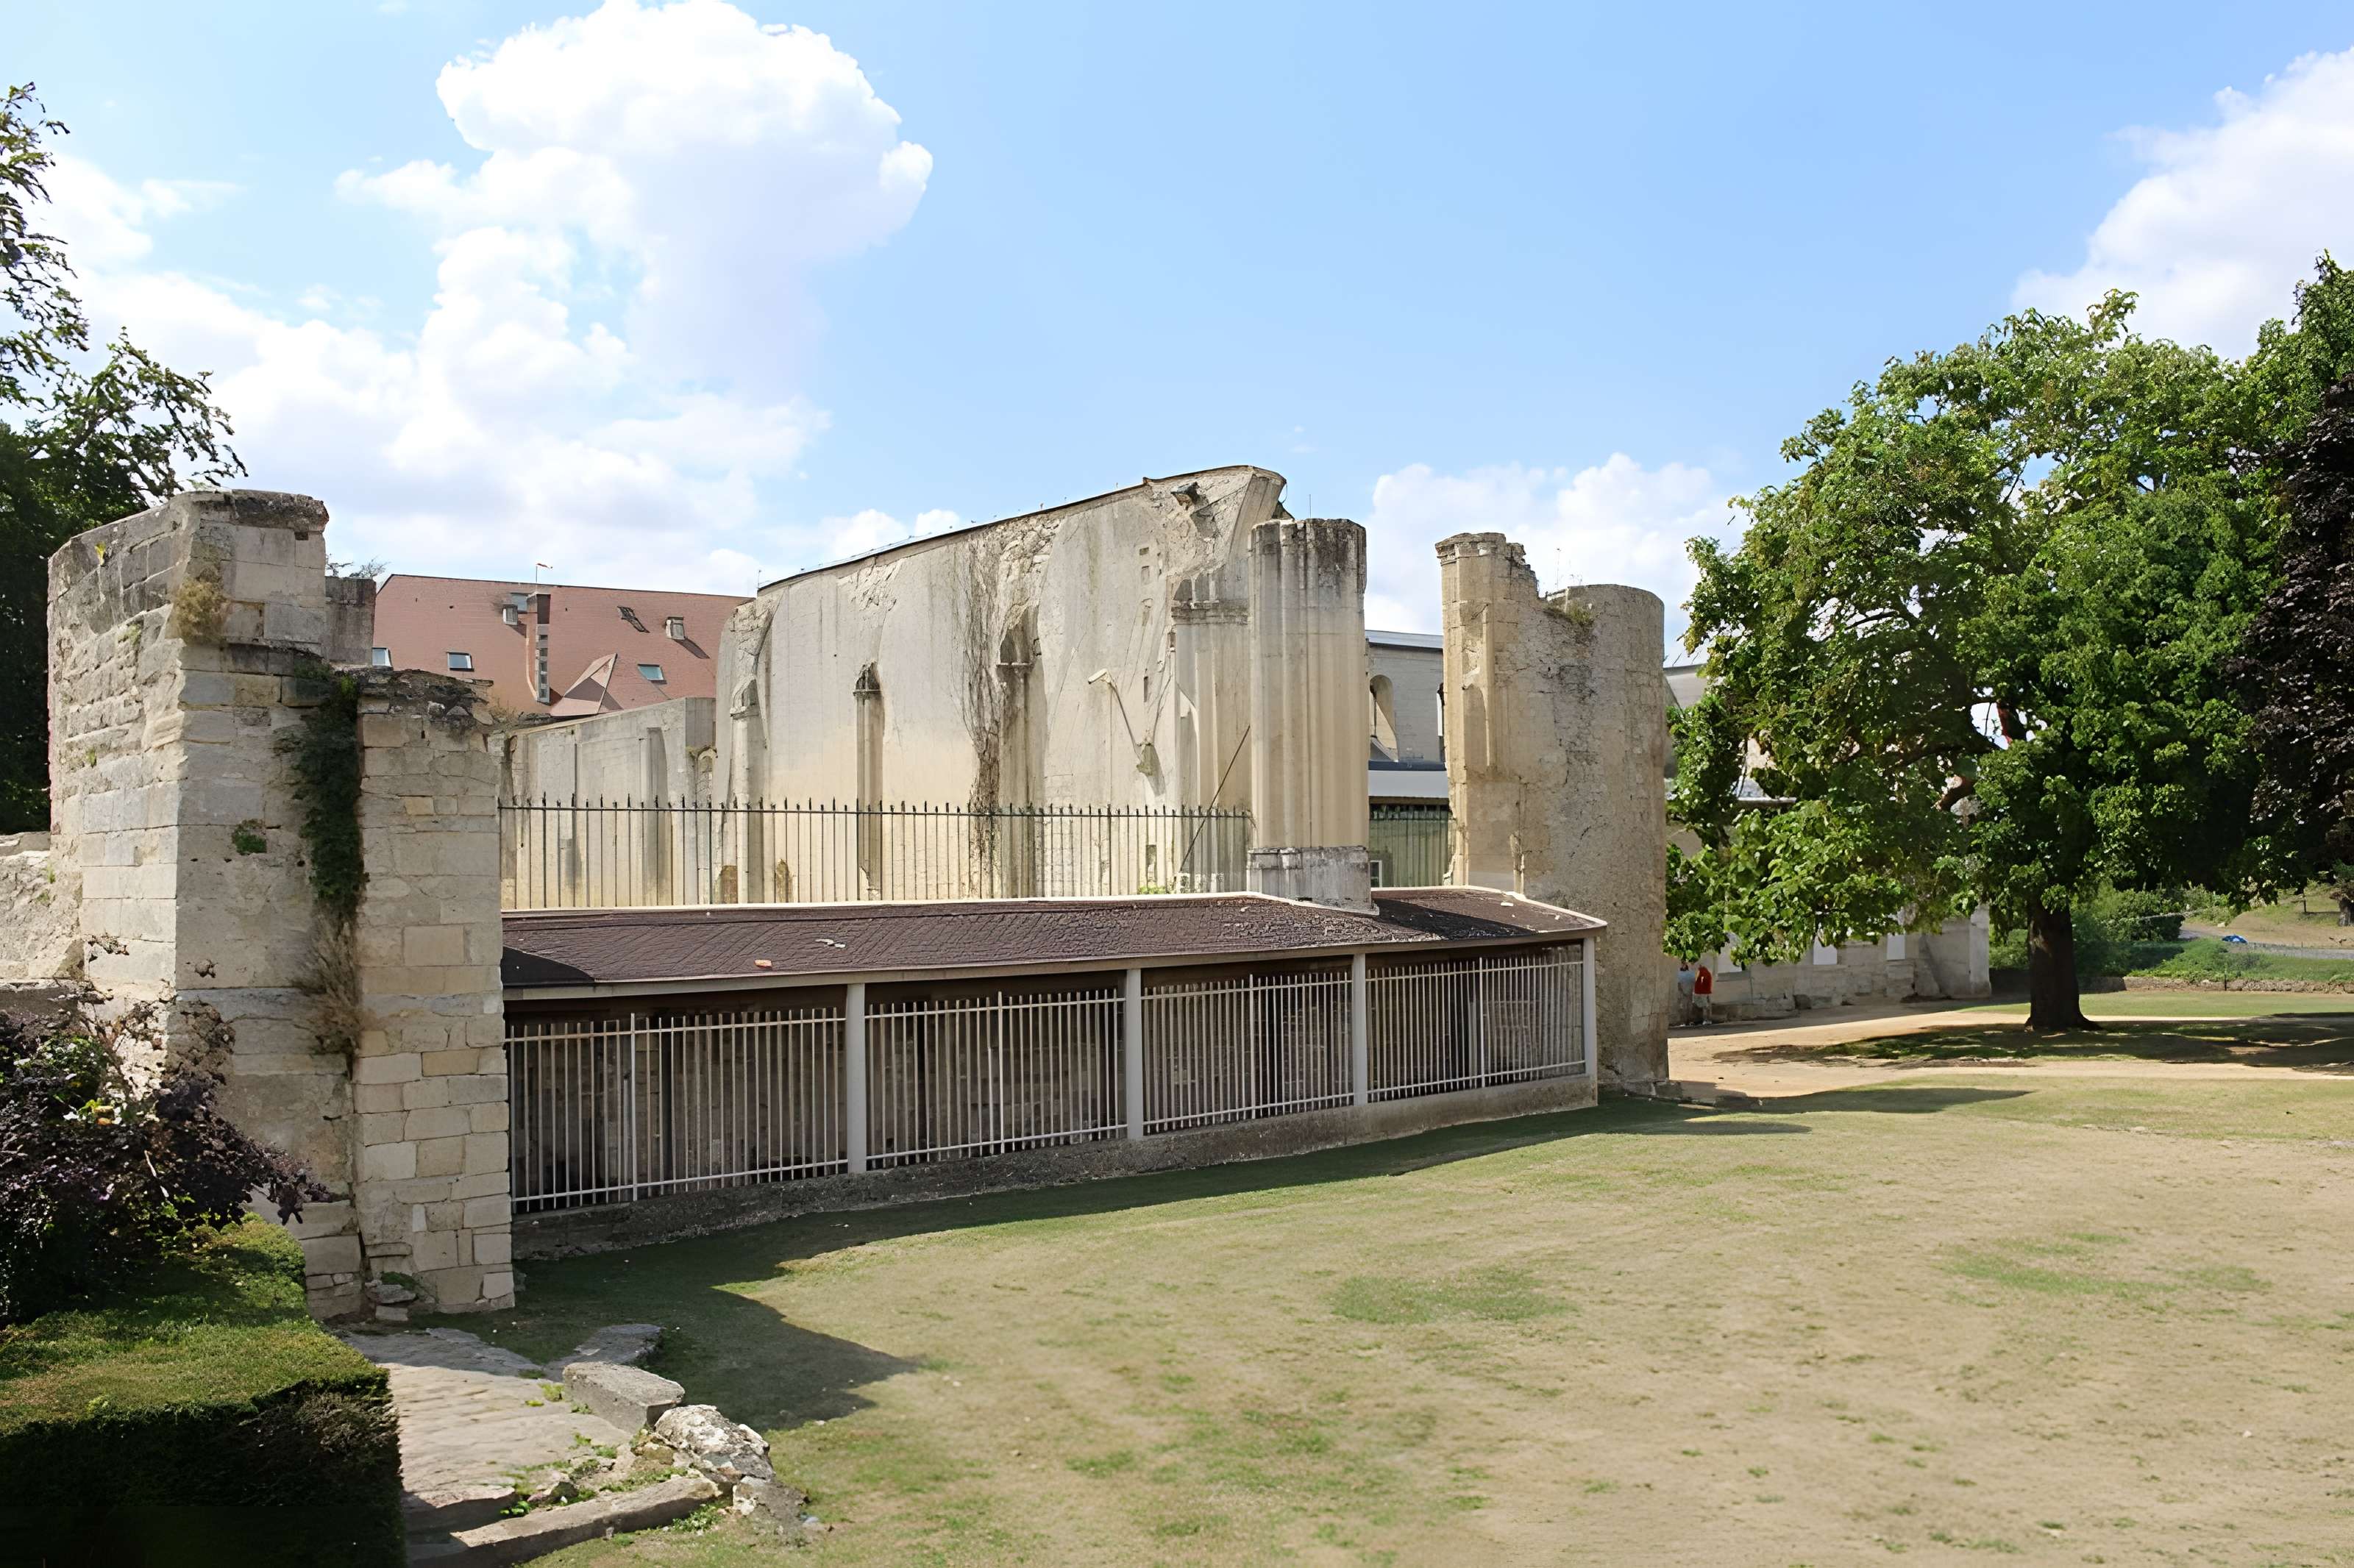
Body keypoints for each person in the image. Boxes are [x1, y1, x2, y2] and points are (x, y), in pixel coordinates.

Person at [1693, 961, 1714, 1026]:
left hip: (1703, 992)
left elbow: (1700, 981)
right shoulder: (1708, 973)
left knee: (1705, 1007)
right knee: (1708, 1006)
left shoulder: (1702, 973)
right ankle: (1709, 1019)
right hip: (1708, 992)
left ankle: (1706, 1020)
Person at [1676, 960, 1696, 1024]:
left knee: (1689, 1007)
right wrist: (1683, 992)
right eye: (1683, 963)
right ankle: (1684, 1021)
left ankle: (1689, 1020)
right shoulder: (1680, 973)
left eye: (1685, 964)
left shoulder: (1691, 973)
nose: (1684, 965)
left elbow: (1694, 983)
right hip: (1683, 994)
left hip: (1689, 993)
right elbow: (1679, 985)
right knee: (1684, 1008)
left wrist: (1692, 991)